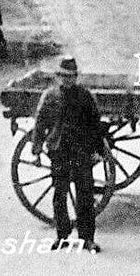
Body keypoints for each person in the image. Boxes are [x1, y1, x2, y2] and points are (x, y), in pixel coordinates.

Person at [31, 57, 104, 252]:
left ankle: (87, 238)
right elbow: (39, 125)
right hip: (59, 151)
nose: (67, 80)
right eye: (64, 76)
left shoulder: (85, 96)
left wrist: (98, 151)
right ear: (58, 77)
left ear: (76, 77)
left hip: (81, 151)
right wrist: (36, 151)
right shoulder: (49, 96)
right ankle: (62, 236)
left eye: (71, 77)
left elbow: (95, 125)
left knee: (85, 195)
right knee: (60, 194)